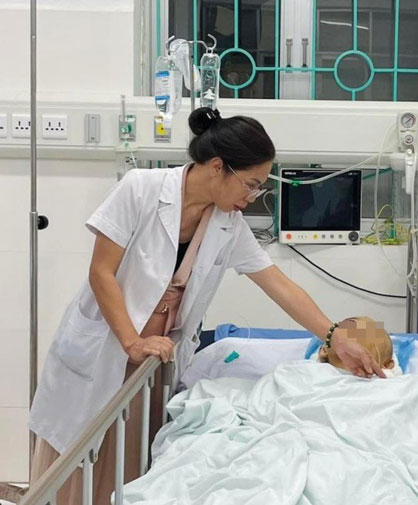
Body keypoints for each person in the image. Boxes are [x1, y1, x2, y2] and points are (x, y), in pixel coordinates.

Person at [28, 107, 385, 504]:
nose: (252, 198)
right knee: (74, 462)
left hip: (156, 359)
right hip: (107, 344)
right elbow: (101, 273)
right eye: (250, 184)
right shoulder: (141, 188)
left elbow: (279, 284)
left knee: (128, 468)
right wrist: (131, 342)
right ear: (218, 167)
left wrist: (335, 337)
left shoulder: (227, 224)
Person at [318, 317, 399, 376]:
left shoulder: (390, 385)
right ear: (324, 349)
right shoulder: (311, 372)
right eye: (352, 323)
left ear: (387, 365)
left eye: (373, 332)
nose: (363, 330)